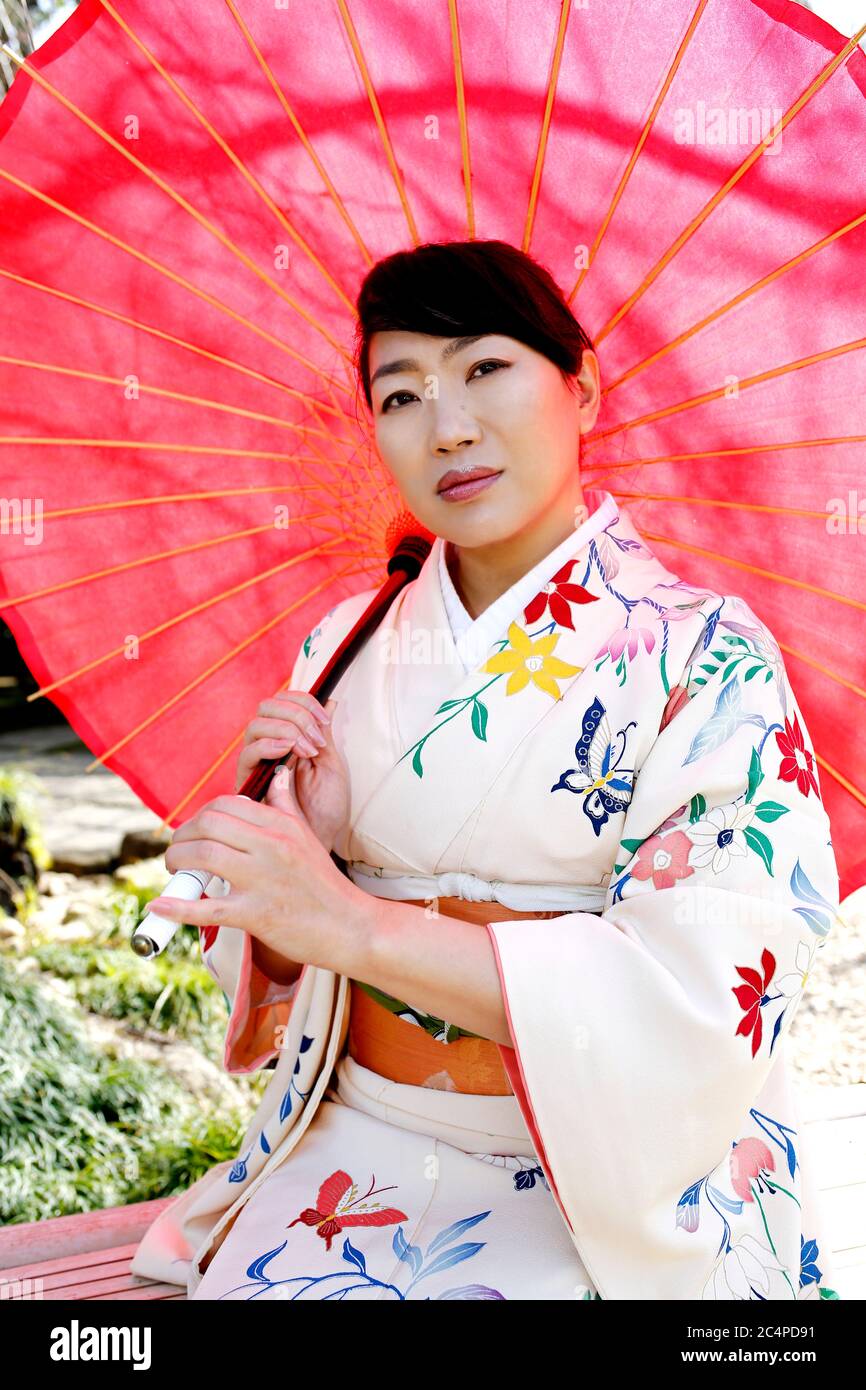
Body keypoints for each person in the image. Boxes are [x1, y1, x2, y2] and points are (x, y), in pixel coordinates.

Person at [130, 240, 841, 1301]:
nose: (447, 427)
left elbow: (704, 991)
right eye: (399, 392)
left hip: (601, 1184)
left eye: (482, 369)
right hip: (357, 1149)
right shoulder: (347, 640)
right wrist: (299, 863)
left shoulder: (709, 655)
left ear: (581, 385)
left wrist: (354, 923)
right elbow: (291, 965)